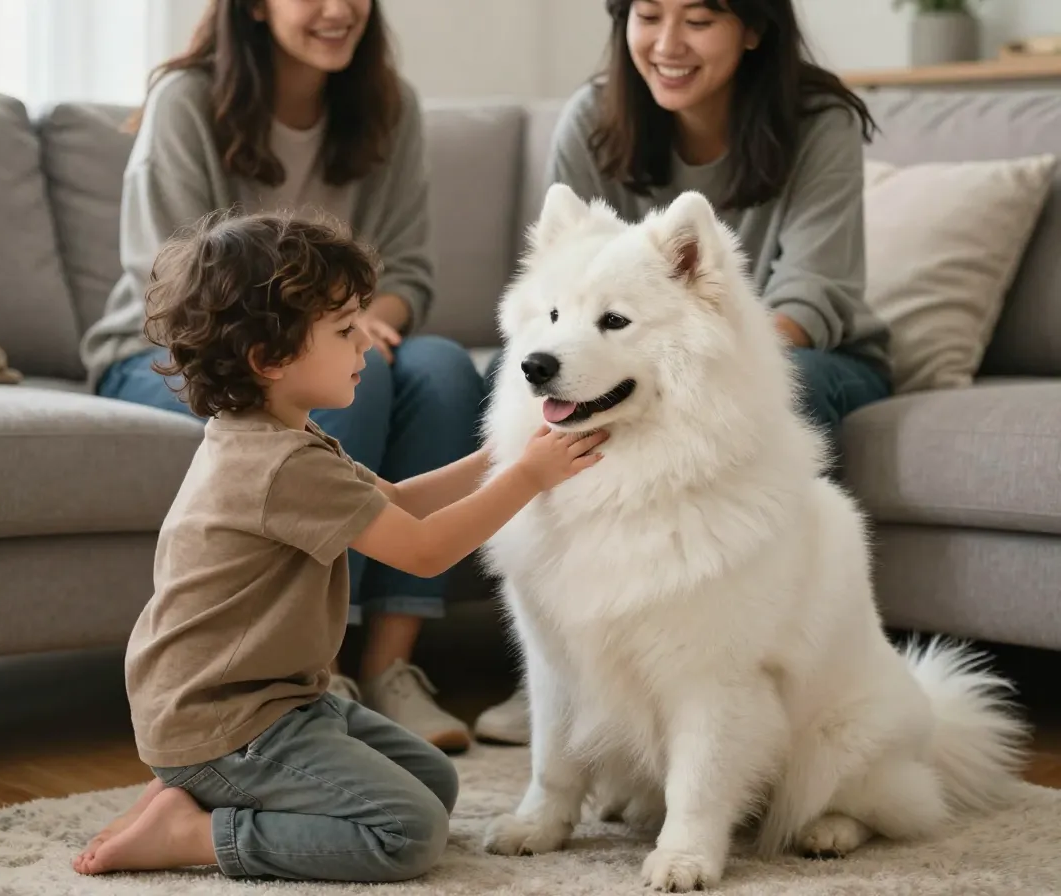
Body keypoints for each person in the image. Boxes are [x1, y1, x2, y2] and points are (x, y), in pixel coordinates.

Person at [71, 211, 607, 881]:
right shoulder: (279, 467)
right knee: (405, 832)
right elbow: (424, 549)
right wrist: (530, 477)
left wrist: (500, 455)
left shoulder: (283, 438)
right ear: (270, 359)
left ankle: (194, 792)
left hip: (272, 704)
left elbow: (401, 502)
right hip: (227, 722)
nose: (366, 346)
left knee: (433, 783)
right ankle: (196, 831)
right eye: (345, 331)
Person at [473, 0, 893, 747]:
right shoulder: (594, 118)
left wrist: (716, 354)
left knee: (795, 392)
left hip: (801, 353)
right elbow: (562, 280)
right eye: (649, 15)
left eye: (699, 19)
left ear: (753, 28)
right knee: (523, 385)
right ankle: (570, 671)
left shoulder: (817, 118)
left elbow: (815, 292)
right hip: (623, 354)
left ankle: (751, 651)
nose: (668, 43)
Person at [80, 0, 487, 751]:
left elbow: (410, 271)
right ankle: (317, 677)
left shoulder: (390, 108)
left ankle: (392, 666)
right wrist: (322, 338)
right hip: (182, 347)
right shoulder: (186, 101)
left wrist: (363, 323)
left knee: (444, 368)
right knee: (333, 395)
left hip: (343, 328)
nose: (339, 10)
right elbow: (175, 284)